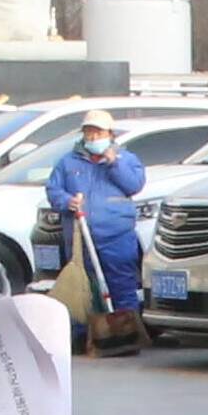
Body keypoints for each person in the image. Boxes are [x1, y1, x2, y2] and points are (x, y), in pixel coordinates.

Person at [49, 111, 151, 356]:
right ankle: (83, 336)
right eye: (89, 132)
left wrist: (114, 163)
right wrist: (67, 201)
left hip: (116, 233)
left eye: (99, 132)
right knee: (83, 287)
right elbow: (53, 190)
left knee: (122, 284)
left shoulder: (126, 159)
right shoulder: (68, 162)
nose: (93, 137)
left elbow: (134, 185)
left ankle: (126, 336)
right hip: (80, 236)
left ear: (110, 134)